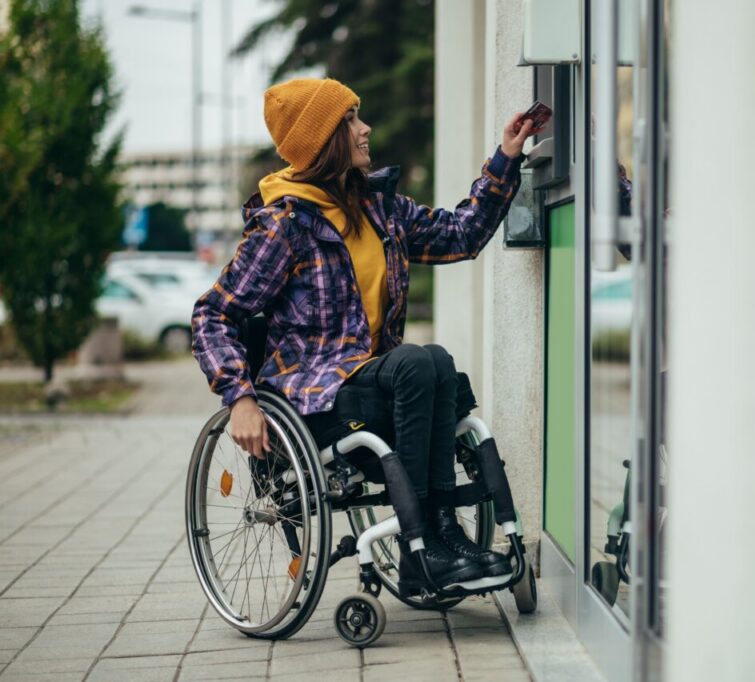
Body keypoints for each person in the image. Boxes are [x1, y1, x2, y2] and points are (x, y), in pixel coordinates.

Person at [191, 77, 539, 593]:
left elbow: (461, 235)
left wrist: (507, 158)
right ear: (324, 140)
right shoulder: (284, 225)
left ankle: (443, 536)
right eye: (350, 119)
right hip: (317, 400)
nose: (365, 128)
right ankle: (421, 547)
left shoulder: (378, 208)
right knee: (418, 362)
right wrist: (239, 397)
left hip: (378, 383)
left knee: (436, 360)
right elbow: (213, 315)